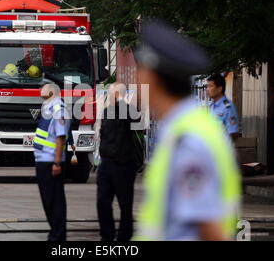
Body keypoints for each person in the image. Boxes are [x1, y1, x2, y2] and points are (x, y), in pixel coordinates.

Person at [133, 21, 241, 241]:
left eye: (139, 71)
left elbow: (209, 228)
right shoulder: (186, 126)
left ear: (150, 78)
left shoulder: (188, 138)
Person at [97, 82, 141, 242]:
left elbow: (137, 117)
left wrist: (121, 99)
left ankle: (124, 238)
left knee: (125, 205)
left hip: (123, 165)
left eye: (111, 94)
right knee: (102, 202)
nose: (108, 97)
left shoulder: (127, 111)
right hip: (106, 164)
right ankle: (107, 236)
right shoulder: (107, 112)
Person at [33, 80, 71, 241]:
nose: (40, 88)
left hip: (50, 162)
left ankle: (58, 235)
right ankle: (55, 232)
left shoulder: (58, 109)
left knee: (54, 200)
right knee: (48, 200)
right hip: (43, 160)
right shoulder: (48, 108)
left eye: (43, 86)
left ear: (53, 90)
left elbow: (60, 137)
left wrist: (57, 162)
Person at [206, 74, 240, 141]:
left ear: (219, 89)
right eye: (207, 86)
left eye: (210, 86)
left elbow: (234, 133)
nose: (207, 89)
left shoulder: (228, 107)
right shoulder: (212, 106)